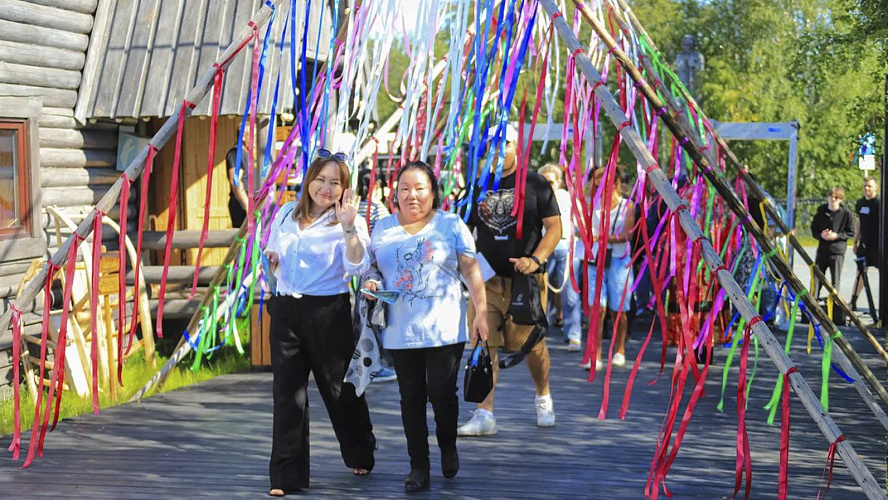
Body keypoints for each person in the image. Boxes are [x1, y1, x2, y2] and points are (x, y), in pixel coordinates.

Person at [362, 161, 489, 492]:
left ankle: (447, 444)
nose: (412, 195)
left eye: (420, 188)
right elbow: (372, 269)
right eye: (404, 189)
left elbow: (472, 271)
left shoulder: (451, 224)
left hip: (444, 328)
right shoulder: (383, 228)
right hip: (400, 331)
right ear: (395, 194)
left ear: (434, 193)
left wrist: (481, 313)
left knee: (443, 394)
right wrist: (373, 282)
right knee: (411, 398)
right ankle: (418, 465)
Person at [262, 150, 376, 496]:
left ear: (344, 189)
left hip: (328, 312)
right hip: (285, 311)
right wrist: (273, 258)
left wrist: (349, 228)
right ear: (309, 179)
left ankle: (361, 450)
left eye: (335, 183)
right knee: (287, 393)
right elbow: (272, 253)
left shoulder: (348, 220)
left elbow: (357, 267)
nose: (325, 188)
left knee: (338, 389)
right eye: (321, 180)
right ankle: (285, 477)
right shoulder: (284, 213)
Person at [457, 125, 562, 436]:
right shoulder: (478, 186)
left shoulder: (536, 183)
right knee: (482, 341)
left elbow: (554, 228)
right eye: (495, 143)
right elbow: (462, 228)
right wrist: (466, 260)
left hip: (524, 282)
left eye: (507, 143)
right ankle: (484, 413)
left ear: (519, 146)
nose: (501, 149)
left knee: (531, 345)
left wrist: (536, 259)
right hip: (485, 281)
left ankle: (543, 395)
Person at [583, 168, 636, 371]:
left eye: (602, 182)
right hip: (595, 260)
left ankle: (620, 349)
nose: (597, 186)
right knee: (597, 308)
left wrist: (602, 238)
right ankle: (595, 355)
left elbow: (627, 235)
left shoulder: (627, 206)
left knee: (618, 308)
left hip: (619, 261)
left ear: (614, 184)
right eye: (595, 182)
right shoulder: (590, 206)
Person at [355, 168, 396, 382]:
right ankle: (376, 364)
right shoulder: (378, 209)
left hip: (354, 268)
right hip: (372, 270)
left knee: (361, 318)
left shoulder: (354, 207)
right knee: (374, 318)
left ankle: (367, 363)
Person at [539, 164, 582, 350]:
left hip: (565, 245)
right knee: (540, 291)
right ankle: (538, 332)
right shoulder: (535, 197)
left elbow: (581, 223)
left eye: (550, 182)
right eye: (543, 181)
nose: (547, 185)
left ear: (559, 182)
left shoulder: (569, 199)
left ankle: (573, 335)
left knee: (570, 294)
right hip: (542, 247)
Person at [811, 187, 854, 297]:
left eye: (836, 197)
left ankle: (834, 304)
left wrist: (837, 236)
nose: (833, 199)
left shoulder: (846, 213)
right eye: (831, 197)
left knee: (835, 281)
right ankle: (813, 302)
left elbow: (850, 232)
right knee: (817, 279)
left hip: (837, 252)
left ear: (841, 199)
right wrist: (822, 235)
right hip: (823, 250)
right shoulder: (821, 211)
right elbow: (814, 229)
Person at [851, 176, 881, 309]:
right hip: (864, 243)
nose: (867, 189)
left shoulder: (879, 202)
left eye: (869, 186)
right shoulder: (860, 203)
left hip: (878, 244)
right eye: (865, 186)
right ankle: (853, 301)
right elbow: (858, 222)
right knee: (860, 273)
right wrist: (855, 241)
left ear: (876, 187)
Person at [226, 146, 249, 228]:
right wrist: (247, 205)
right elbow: (235, 181)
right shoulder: (236, 153)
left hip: (251, 206)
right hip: (241, 206)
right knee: (244, 239)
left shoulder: (247, 154)